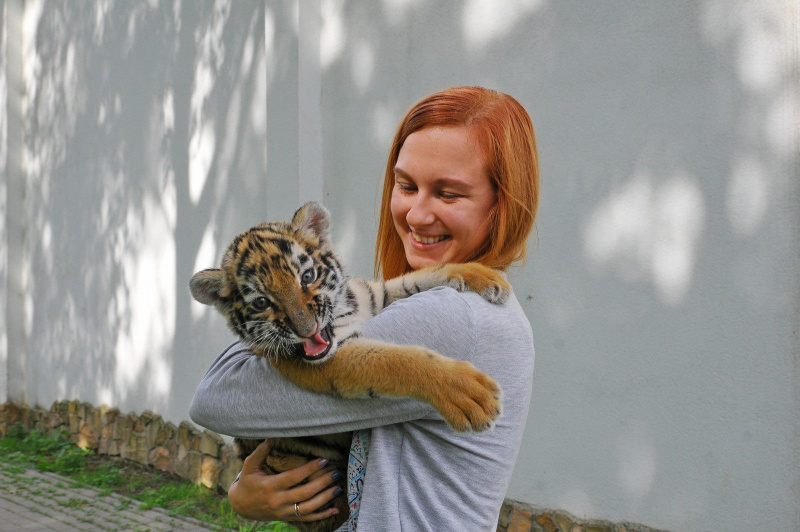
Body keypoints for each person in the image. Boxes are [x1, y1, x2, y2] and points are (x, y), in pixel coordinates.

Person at [190, 86, 539, 531]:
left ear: (501, 204)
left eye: (448, 194)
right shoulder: (467, 304)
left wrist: (241, 492)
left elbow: (217, 399)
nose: (416, 215)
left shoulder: (457, 319)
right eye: (407, 185)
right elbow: (384, 296)